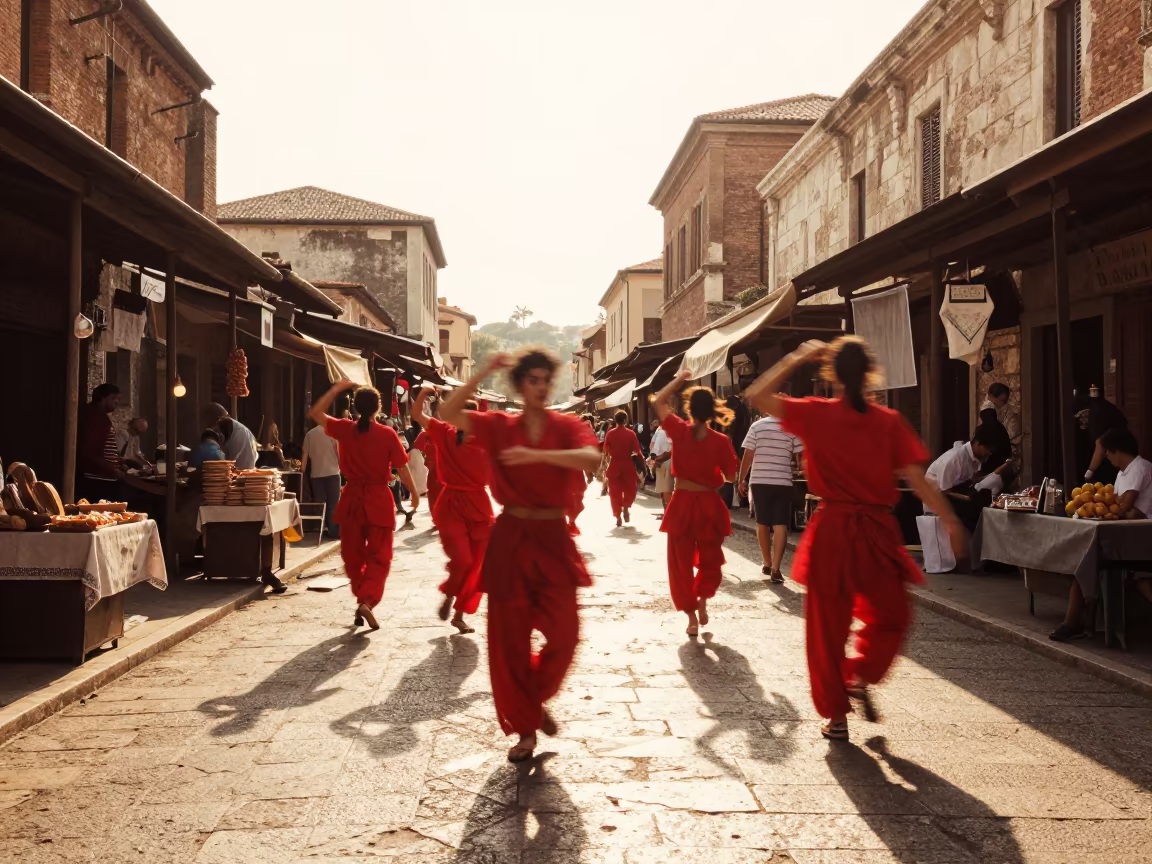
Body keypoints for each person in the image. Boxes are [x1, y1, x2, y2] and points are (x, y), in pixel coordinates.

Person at [744, 337, 963, 741]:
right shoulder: (888, 421)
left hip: (832, 530)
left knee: (826, 629)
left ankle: (836, 714)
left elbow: (756, 395)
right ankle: (859, 674)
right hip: (877, 531)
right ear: (870, 375)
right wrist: (949, 520)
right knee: (892, 617)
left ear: (833, 376)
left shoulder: (816, 413)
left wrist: (798, 356)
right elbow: (919, 480)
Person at [439, 349, 600, 763]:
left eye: (547, 380)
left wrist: (538, 456)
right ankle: (526, 730)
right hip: (510, 537)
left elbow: (591, 458)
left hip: (552, 536)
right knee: (509, 642)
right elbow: (448, 410)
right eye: (534, 380)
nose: (542, 388)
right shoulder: (498, 426)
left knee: (564, 635)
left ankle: (533, 700)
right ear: (520, 384)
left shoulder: (567, 425)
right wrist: (483, 372)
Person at [308, 381, 419, 631]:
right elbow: (402, 467)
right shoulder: (388, 434)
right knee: (380, 556)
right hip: (378, 499)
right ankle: (367, 600)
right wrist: (413, 493)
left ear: (355, 407)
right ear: (378, 407)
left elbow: (315, 413)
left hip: (352, 500)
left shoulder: (345, 429)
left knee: (353, 556)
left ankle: (362, 598)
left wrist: (335, 390)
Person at [651, 373, 740, 636]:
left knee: (680, 564)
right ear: (713, 411)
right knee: (710, 559)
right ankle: (702, 601)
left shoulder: (678, 431)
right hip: (709, 503)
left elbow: (658, 401)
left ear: (689, 409)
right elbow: (731, 477)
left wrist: (678, 379)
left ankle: (691, 617)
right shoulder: (721, 441)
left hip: (682, 502)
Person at [1051, 427, 1152, 641]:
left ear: (1118, 450)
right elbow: (1117, 507)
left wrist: (1117, 509)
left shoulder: (1140, 468)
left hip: (1140, 537)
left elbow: (1124, 507)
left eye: (1107, 452)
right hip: (1122, 533)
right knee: (1084, 554)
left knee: (1087, 558)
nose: (1106, 456)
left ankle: (1073, 622)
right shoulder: (1123, 473)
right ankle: (1083, 619)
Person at [411, 387, 492, 635]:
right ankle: (449, 595)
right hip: (453, 504)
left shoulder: (484, 440)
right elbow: (416, 414)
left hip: (479, 505)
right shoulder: (445, 433)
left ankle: (458, 613)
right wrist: (424, 393)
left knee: (477, 564)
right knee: (463, 560)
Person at [738, 410, 803, 582]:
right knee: (780, 523)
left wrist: (741, 479)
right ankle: (776, 568)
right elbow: (799, 456)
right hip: (782, 481)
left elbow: (748, 455)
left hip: (760, 480)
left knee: (762, 522)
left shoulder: (757, 426)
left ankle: (766, 562)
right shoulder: (792, 427)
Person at [78, 383, 123, 503]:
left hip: (105, 477)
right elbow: (88, 450)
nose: (117, 402)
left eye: (118, 399)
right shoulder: (95, 417)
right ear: (102, 399)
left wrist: (119, 461)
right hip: (98, 479)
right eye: (113, 398)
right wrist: (111, 468)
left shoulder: (102, 417)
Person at [302, 418, 342, 540]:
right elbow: (339, 453)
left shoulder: (309, 434)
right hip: (333, 473)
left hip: (316, 474)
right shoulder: (333, 433)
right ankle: (334, 532)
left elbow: (305, 454)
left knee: (320, 502)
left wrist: (302, 469)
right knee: (333, 504)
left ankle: (322, 528)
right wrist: (342, 466)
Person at [1081, 385, 1129, 486]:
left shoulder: (1097, 413)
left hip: (1108, 464)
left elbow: (1100, 445)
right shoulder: (1109, 408)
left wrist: (1089, 473)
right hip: (1120, 461)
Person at [603, 409, 644, 527]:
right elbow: (637, 451)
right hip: (628, 465)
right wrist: (643, 465)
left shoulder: (610, 433)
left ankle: (618, 516)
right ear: (625, 420)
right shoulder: (631, 433)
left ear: (615, 420)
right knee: (630, 489)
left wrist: (603, 465)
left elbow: (605, 451)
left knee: (614, 493)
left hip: (614, 465)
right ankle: (626, 507)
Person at [202, 403, 258, 470]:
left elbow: (230, 464)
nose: (215, 429)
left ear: (219, 419)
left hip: (244, 473)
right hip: (235, 472)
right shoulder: (226, 430)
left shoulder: (239, 433)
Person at [649, 418, 672, 511]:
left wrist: (653, 459)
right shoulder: (673, 432)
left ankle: (667, 510)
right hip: (672, 462)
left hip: (661, 462)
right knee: (669, 488)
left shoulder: (659, 432)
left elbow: (654, 448)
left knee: (663, 489)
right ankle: (668, 510)